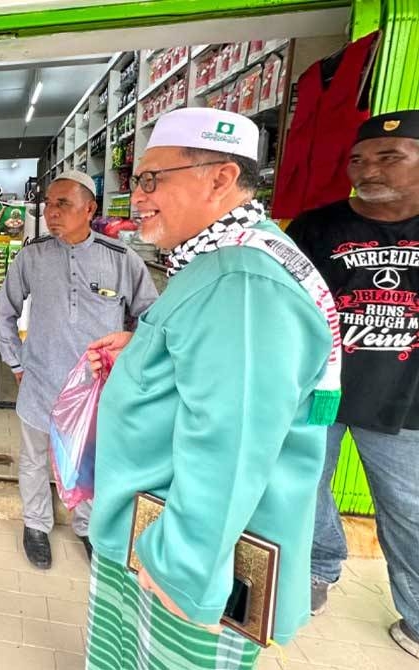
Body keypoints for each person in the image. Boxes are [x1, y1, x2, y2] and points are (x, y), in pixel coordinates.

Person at [85, 108, 341, 669]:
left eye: (153, 179)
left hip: (183, 547)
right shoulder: (224, 259)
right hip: (156, 525)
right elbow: (222, 371)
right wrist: (146, 351)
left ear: (221, 178)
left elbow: (231, 440)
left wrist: (183, 563)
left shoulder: (242, 281)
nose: (138, 197)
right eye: (137, 181)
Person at [286, 110, 419, 659]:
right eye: (359, 159)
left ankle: (414, 614)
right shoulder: (316, 229)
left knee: (409, 510)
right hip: (321, 391)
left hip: (407, 402)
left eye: (391, 157)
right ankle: (319, 567)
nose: (369, 169)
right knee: (306, 487)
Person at [0, 170, 158, 570]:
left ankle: (86, 527)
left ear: (90, 209)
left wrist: (129, 363)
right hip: (41, 381)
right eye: (49, 204)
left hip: (96, 389)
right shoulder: (32, 256)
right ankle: (36, 524)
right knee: (34, 457)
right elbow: (6, 311)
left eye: (63, 204)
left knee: (90, 460)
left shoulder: (121, 259)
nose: (52, 213)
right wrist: (16, 362)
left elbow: (152, 318)